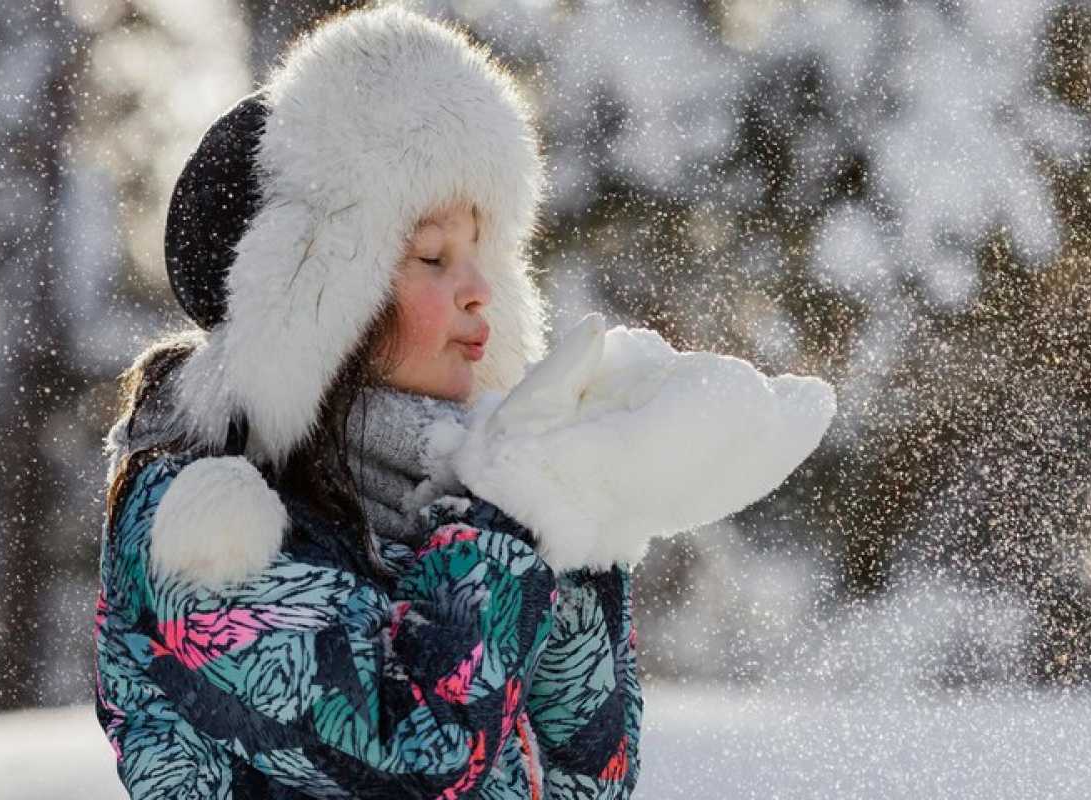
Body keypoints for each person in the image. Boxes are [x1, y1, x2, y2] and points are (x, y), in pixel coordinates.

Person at [94, 5, 836, 799]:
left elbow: (590, 779)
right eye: (433, 256)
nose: (480, 289)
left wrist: (582, 514)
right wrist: (513, 512)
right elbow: (416, 757)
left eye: (484, 250)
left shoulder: (452, 497)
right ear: (323, 292)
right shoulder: (197, 521)